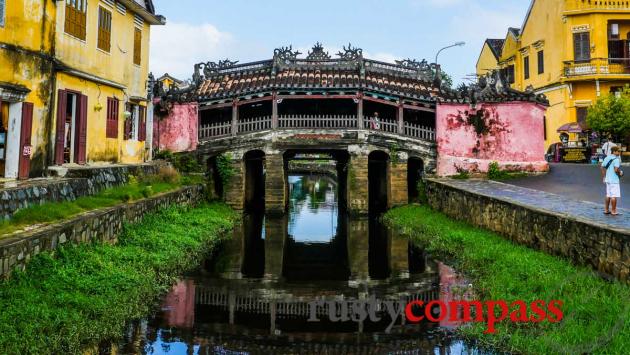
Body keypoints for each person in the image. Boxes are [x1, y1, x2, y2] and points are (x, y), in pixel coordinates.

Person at [601, 146, 623, 216]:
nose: (619, 153)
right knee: (614, 196)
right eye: (618, 151)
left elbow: (602, 167)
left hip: (608, 179)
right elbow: (616, 170)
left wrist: (604, 176)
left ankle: (606, 210)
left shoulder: (607, 158)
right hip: (614, 180)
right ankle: (613, 211)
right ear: (614, 151)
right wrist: (620, 173)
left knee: (608, 195)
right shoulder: (616, 159)